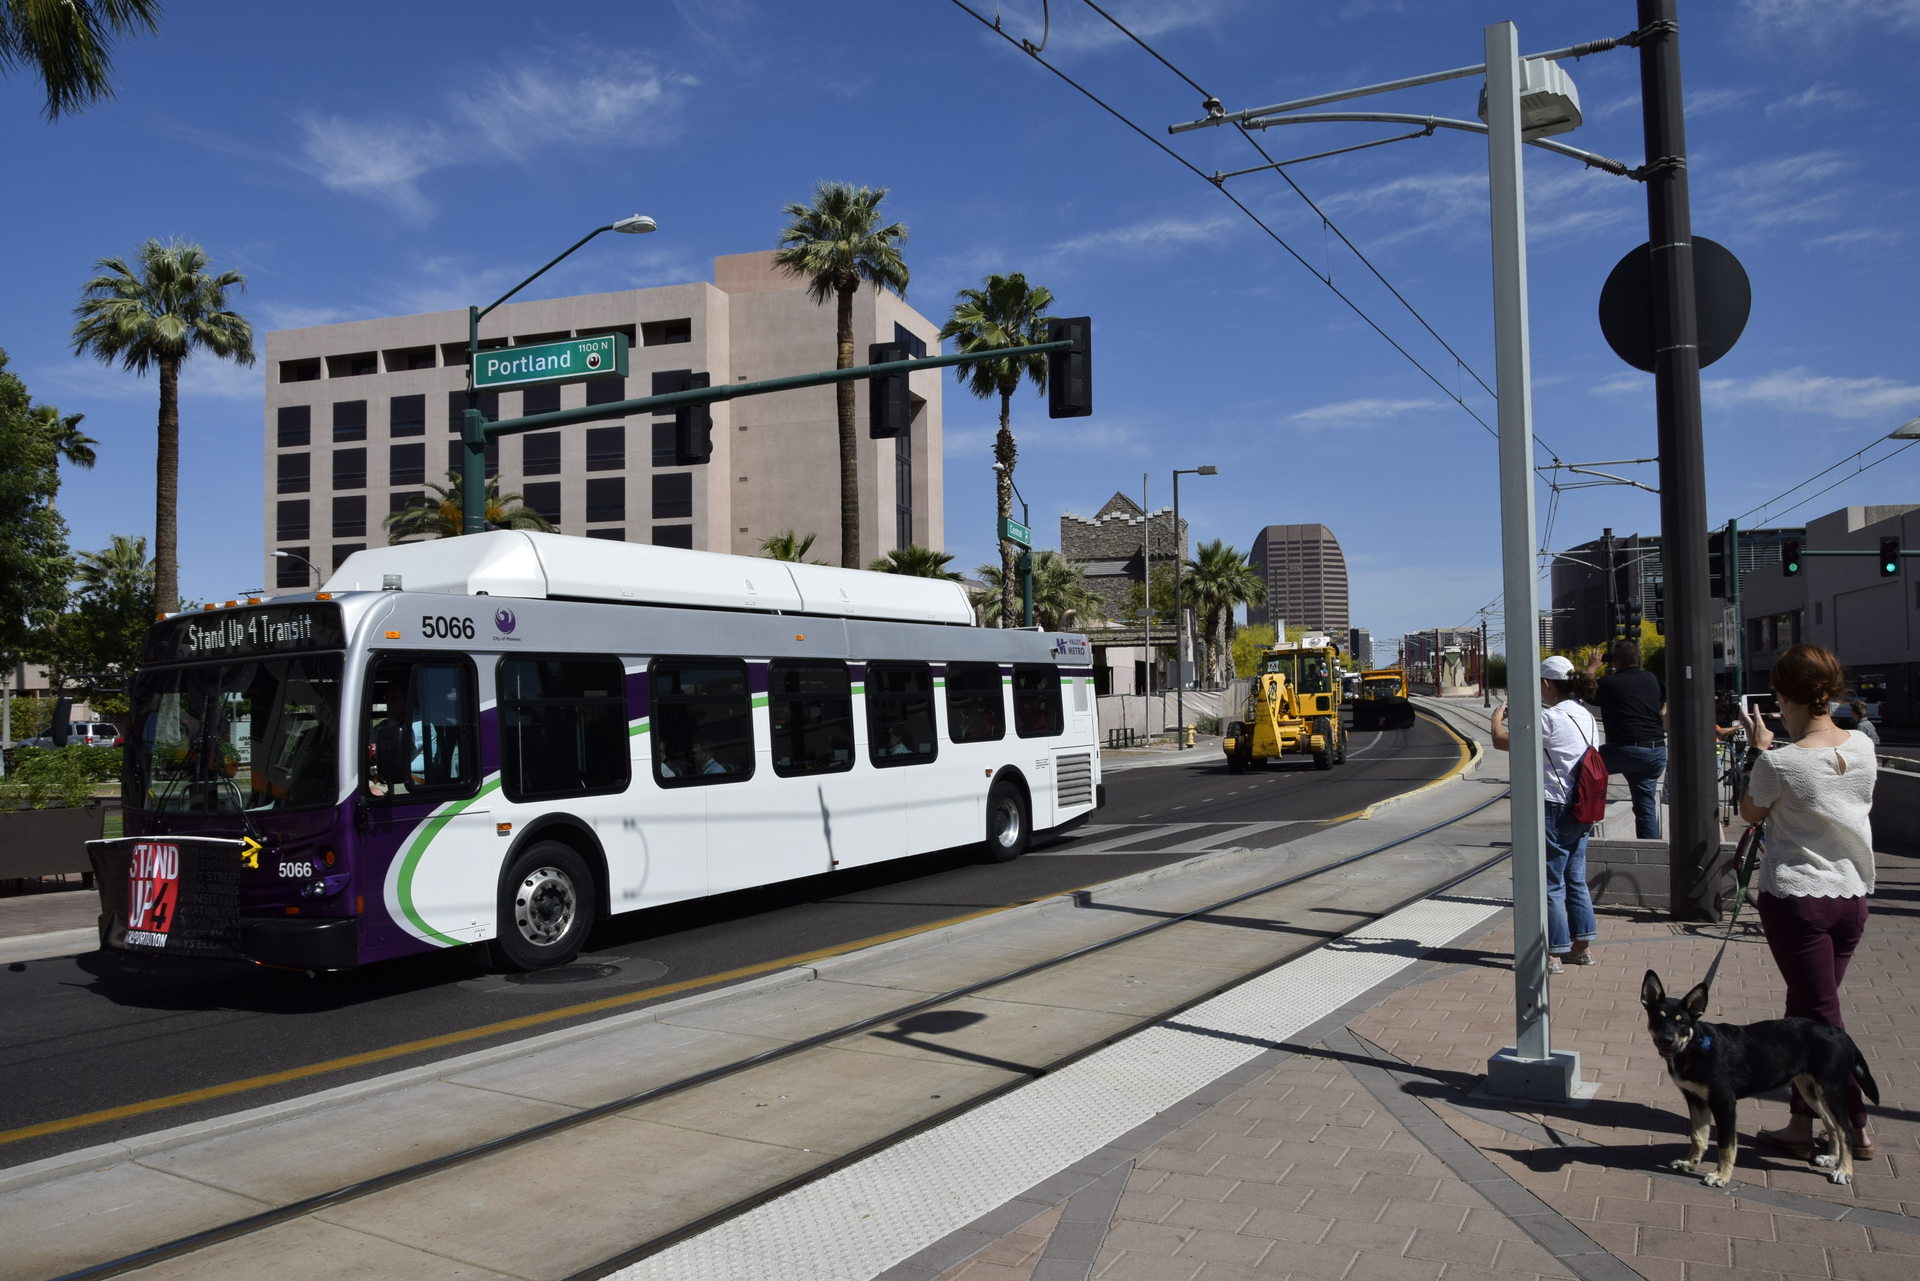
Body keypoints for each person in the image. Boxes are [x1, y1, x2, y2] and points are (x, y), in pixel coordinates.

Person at [1737, 644, 1877, 1163]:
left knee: (1820, 1018)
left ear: (1784, 696)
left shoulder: (1781, 763)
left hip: (1799, 901)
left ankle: (1854, 1125)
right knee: (1806, 1009)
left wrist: (1761, 749)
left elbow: (1751, 810)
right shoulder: (1862, 746)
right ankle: (1800, 1122)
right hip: (1853, 897)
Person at [1491, 655, 1601, 973]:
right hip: (1585, 806)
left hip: (1555, 805)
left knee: (1552, 882)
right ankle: (1582, 948)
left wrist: (1498, 718)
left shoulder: (1550, 718)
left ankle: (1553, 954)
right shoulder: (1587, 716)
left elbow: (1502, 742)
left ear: (1546, 684)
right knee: (1575, 879)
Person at [1586, 640, 1666, 838]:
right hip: (1656, 752)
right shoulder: (1653, 679)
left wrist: (1593, 667)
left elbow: (1582, 689)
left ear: (1615, 661)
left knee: (1580, 766)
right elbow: (1663, 703)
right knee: (1645, 806)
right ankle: (1651, 852)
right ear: (1639, 658)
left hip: (1625, 750)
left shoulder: (1609, 683)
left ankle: (1575, 823)